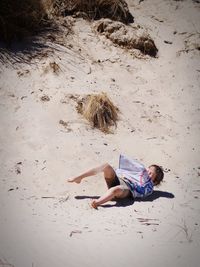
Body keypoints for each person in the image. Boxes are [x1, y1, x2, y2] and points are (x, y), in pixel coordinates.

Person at [67, 154, 164, 209]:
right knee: (106, 166)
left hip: (127, 190)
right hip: (119, 179)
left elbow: (142, 192)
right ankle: (79, 178)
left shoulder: (149, 187)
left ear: (154, 182)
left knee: (116, 189)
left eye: (151, 174)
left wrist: (147, 182)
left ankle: (97, 202)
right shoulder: (140, 173)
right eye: (148, 170)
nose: (147, 173)